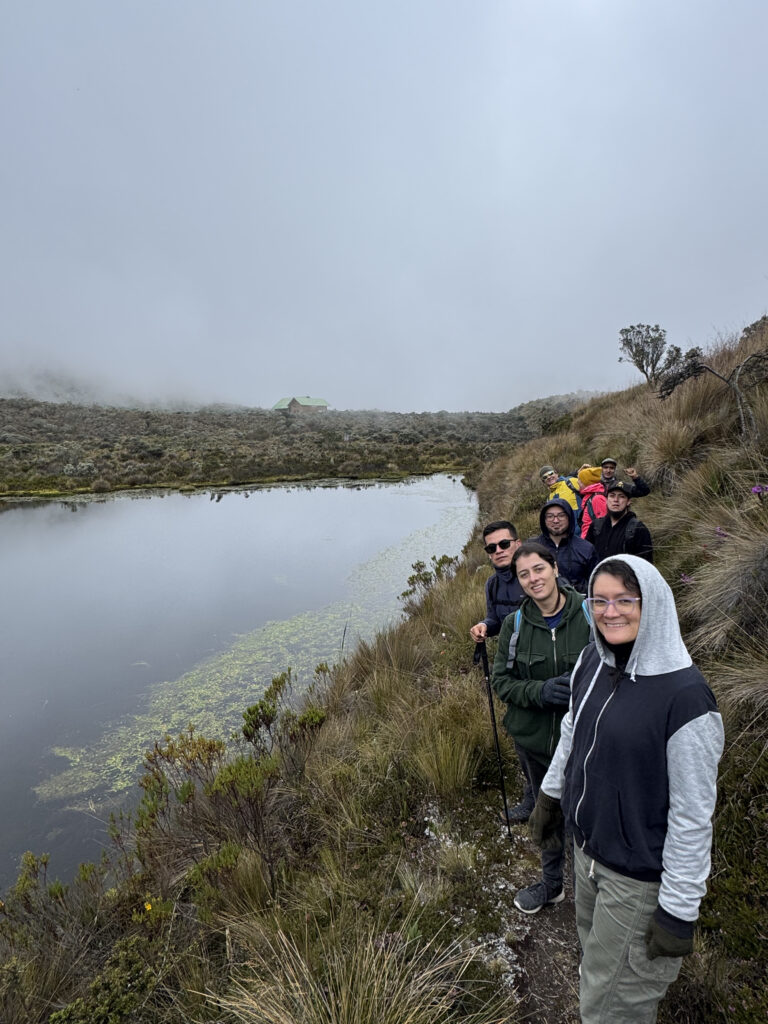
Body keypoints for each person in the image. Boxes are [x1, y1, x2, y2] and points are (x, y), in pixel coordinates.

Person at [529, 555, 724, 1023]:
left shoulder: (686, 699)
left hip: (637, 881)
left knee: (611, 1008)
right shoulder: (592, 661)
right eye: (600, 599)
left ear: (652, 603)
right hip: (588, 855)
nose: (609, 611)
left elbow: (693, 816)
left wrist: (677, 910)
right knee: (595, 973)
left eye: (624, 600)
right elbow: (574, 730)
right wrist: (551, 797)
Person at [491, 542, 592, 913]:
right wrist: (540, 691)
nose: (533, 579)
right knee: (547, 814)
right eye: (524, 575)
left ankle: (591, 894)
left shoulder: (590, 613)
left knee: (586, 818)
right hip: (533, 743)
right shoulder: (514, 625)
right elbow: (500, 682)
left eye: (538, 569)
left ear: (554, 568)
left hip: (584, 744)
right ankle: (552, 885)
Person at [469, 521, 524, 642]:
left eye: (504, 544)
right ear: (489, 554)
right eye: (491, 548)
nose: (498, 551)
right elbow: (495, 620)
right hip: (510, 653)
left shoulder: (535, 576)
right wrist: (484, 626)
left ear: (518, 544)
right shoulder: (492, 584)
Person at [534, 497, 597, 593]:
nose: (555, 520)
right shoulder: (533, 547)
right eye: (550, 516)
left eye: (561, 515)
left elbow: (595, 583)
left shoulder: (586, 548)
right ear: (544, 519)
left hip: (578, 605)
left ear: (569, 518)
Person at [586, 479, 654, 563]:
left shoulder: (638, 529)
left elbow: (645, 565)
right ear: (606, 500)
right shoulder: (596, 526)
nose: (616, 500)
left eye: (621, 496)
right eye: (612, 496)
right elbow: (586, 557)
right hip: (598, 575)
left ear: (628, 501)